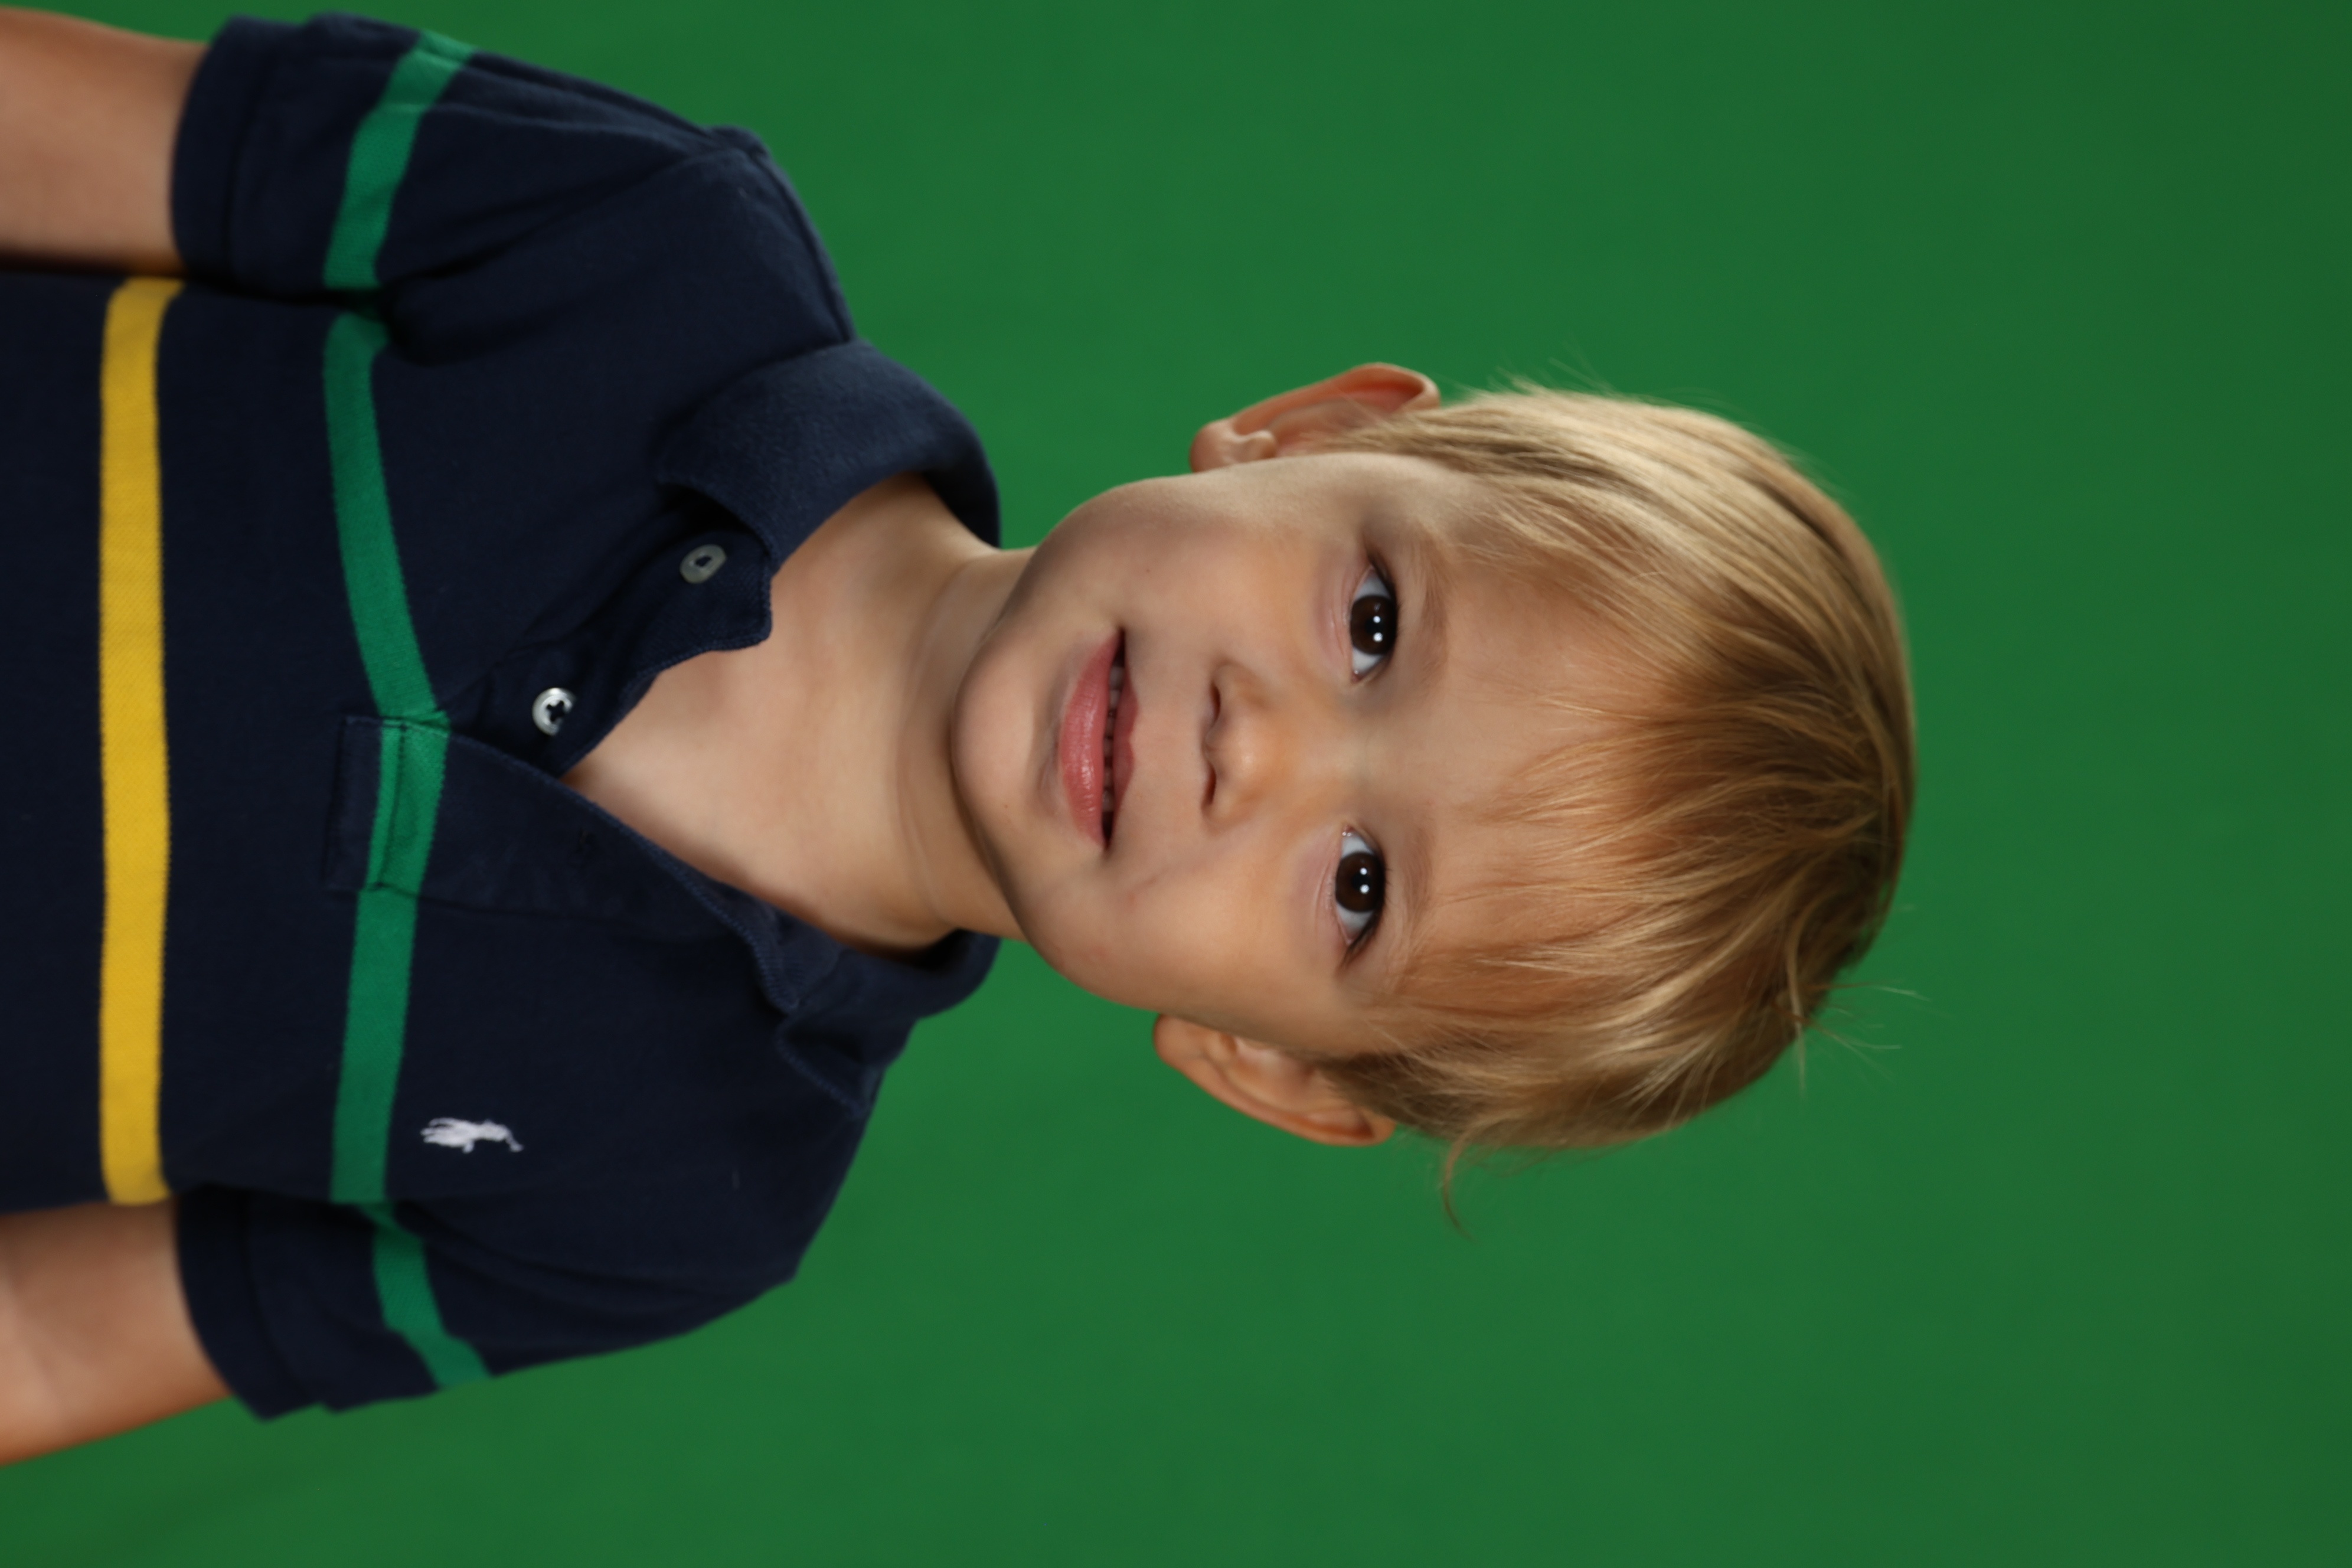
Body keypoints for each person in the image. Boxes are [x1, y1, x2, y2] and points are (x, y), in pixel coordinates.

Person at [0, 8, 1914, 1462]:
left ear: (1274, 1065)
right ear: (1314, 434)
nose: (1254, 753)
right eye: (1374, 625)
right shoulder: (651, 250)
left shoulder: (677, 1204)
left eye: (1357, 886)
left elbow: (51, 1337)